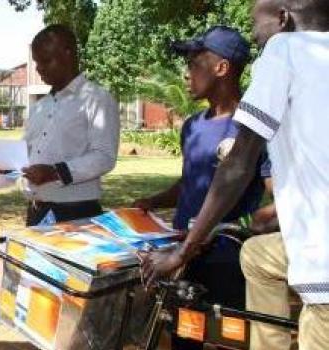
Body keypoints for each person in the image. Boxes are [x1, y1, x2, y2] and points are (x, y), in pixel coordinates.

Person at [142, 1, 329, 349]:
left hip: (300, 261)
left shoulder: (283, 50)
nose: (256, 37)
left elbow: (239, 165)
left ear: (283, 19)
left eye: (256, 26)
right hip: (211, 243)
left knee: (228, 332)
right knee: (257, 256)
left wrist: (186, 249)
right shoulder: (194, 125)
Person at [132, 26, 271, 350]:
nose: (186, 74)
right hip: (182, 258)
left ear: (221, 68)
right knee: (183, 336)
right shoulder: (193, 126)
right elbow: (190, 182)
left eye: (195, 64)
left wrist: (238, 228)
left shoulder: (252, 128)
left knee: (223, 340)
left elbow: (278, 198)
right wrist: (152, 201)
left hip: (228, 264)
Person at [0, 24, 120, 226]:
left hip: (76, 215)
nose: (39, 69)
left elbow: (104, 157)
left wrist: (55, 172)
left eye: (46, 61)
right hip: (37, 212)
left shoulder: (96, 99)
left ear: (68, 53)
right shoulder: (40, 106)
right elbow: (27, 157)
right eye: (36, 62)